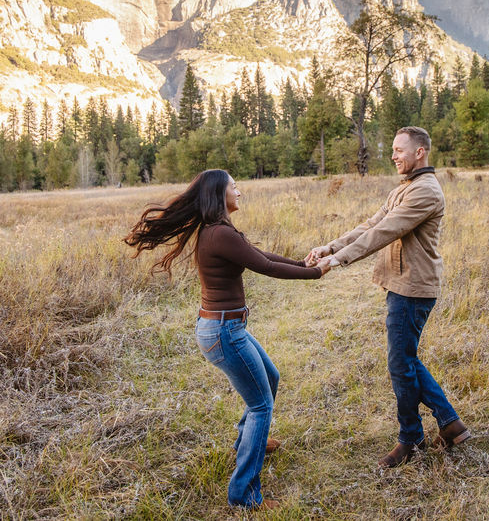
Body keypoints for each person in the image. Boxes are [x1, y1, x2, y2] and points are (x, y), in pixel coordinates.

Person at [125, 169, 331, 510]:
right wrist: (314, 272)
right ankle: (244, 496)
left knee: (271, 378)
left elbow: (259, 255)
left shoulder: (219, 231)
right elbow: (264, 265)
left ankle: (249, 441)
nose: (240, 190)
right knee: (261, 405)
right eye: (234, 186)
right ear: (220, 193)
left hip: (224, 329)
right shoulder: (219, 233)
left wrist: (299, 262)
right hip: (224, 332)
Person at [305, 126, 469, 468]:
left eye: (399, 150)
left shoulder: (426, 192)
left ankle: (410, 439)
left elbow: (386, 231)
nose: (393, 155)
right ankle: (450, 424)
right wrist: (330, 246)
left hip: (414, 288)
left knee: (401, 363)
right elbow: (371, 223)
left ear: (420, 152)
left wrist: (339, 260)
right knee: (405, 360)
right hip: (401, 284)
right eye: (393, 150)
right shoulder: (405, 187)